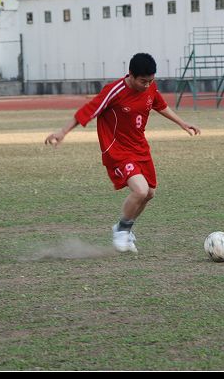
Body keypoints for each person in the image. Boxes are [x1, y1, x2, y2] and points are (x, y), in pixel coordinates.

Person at [44, 53, 201, 253]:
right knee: (140, 190)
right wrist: (62, 132)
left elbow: (160, 105)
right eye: (143, 81)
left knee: (149, 193)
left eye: (150, 81)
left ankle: (124, 227)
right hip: (117, 150)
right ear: (131, 75)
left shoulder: (150, 86)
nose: (147, 85)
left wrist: (182, 123)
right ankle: (122, 230)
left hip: (140, 148)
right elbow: (88, 111)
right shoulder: (114, 91)